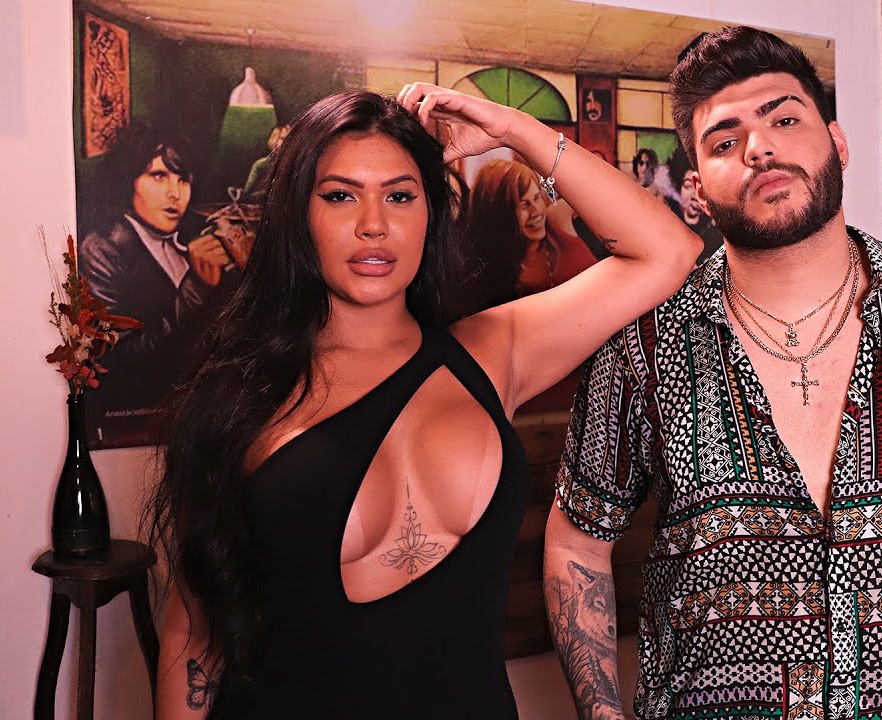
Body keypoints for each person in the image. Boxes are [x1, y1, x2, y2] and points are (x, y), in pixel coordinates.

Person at [544, 25, 882, 720]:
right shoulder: (646, 338)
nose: (759, 147)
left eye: (784, 120)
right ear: (698, 192)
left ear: (837, 143)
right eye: (725, 141)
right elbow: (577, 541)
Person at [147, 86, 701, 718]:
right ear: (299, 215)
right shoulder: (240, 395)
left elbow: (668, 251)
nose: (374, 224)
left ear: (431, 214)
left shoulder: (494, 352)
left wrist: (514, 129)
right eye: (340, 195)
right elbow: (194, 634)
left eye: (400, 196)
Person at [80, 124, 237, 441]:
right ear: (129, 180)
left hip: (203, 421)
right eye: (158, 176)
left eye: (183, 179)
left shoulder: (188, 240)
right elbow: (118, 361)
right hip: (135, 428)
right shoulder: (102, 250)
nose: (175, 193)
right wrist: (196, 289)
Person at [466, 158, 598, 309]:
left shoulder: (556, 219)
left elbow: (597, 191)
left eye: (536, 198)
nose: (536, 212)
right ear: (498, 214)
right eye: (523, 205)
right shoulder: (487, 276)